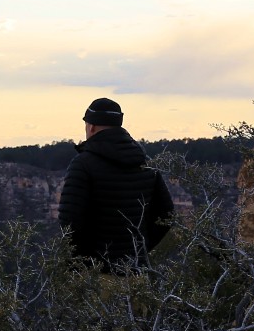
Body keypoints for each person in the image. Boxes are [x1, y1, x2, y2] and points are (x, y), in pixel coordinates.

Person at [58, 97, 174, 267]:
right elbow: (166, 215)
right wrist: (140, 249)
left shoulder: (82, 164)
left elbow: (70, 222)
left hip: (97, 274)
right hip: (136, 271)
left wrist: (81, 262)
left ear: (91, 126)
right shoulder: (144, 162)